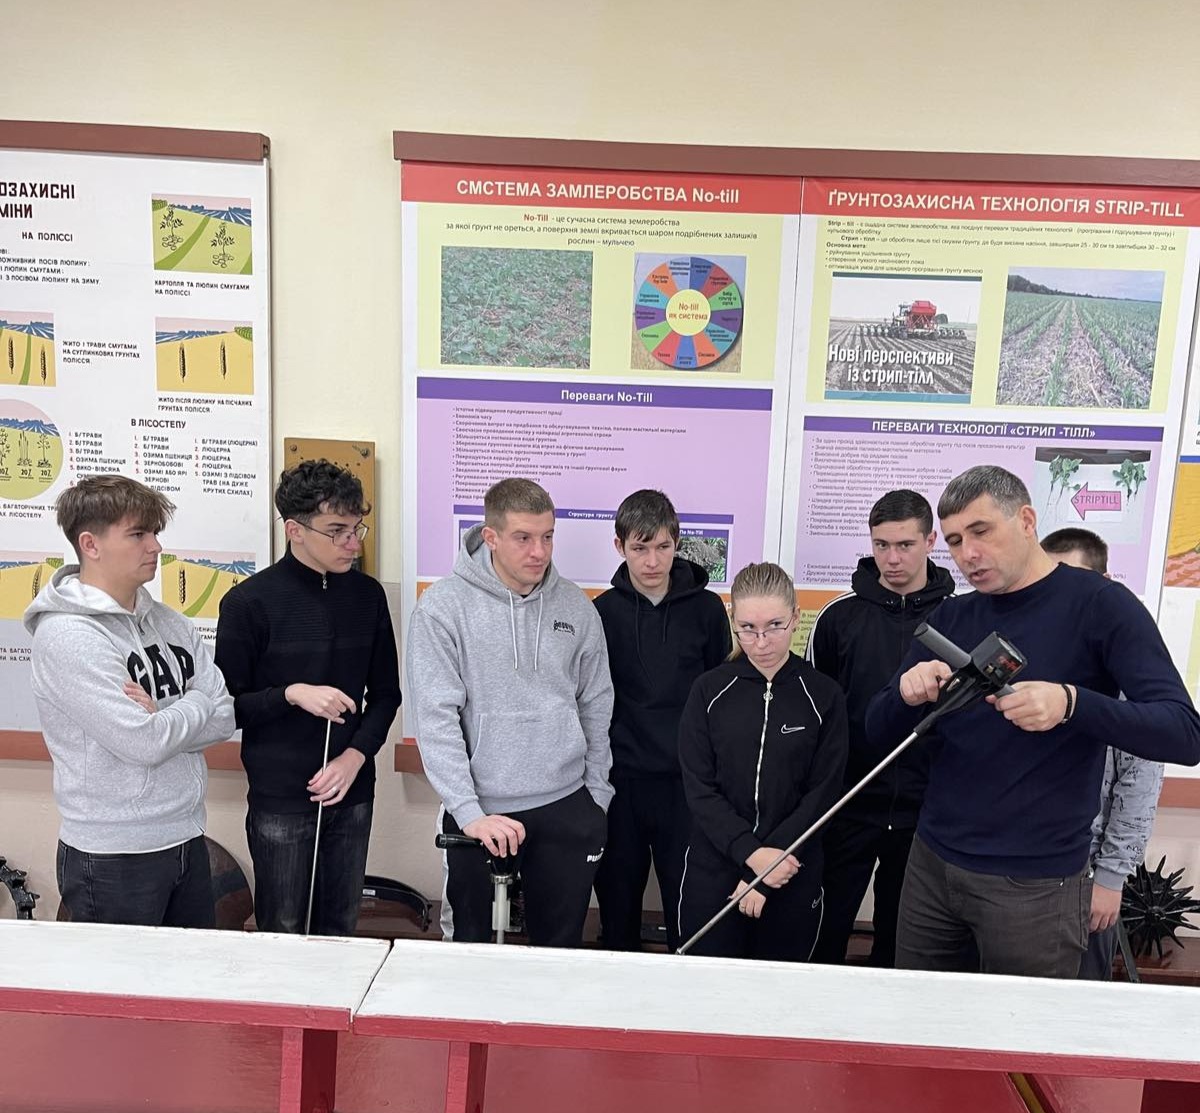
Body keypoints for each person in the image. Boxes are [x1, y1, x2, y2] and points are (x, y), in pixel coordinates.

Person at [866, 466, 1200, 978]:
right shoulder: (952, 618)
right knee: (921, 1017)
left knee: (1025, 1028)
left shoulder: (1101, 605)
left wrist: (1072, 703)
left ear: (1025, 521)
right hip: (932, 868)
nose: (967, 554)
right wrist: (906, 694)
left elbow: (1183, 734)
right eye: (954, 541)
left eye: (981, 531)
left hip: (1037, 887)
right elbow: (877, 731)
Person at [407, 477, 613, 948]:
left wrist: (596, 795)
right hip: (481, 810)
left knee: (559, 949)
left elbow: (596, 703)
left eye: (547, 536)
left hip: (566, 803)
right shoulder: (443, 608)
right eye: (523, 538)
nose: (539, 552)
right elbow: (436, 719)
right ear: (491, 536)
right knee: (472, 949)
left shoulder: (575, 607)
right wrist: (467, 811)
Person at [24, 474, 235, 927]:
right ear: (91, 544)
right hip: (112, 856)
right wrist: (195, 701)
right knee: (121, 975)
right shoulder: (68, 636)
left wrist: (168, 713)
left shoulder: (170, 622)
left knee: (189, 971)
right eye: (138, 534)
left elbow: (225, 714)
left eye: (155, 532)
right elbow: (144, 742)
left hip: (187, 837)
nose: (156, 546)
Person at [215, 460, 400, 936]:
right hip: (281, 796)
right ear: (294, 530)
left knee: (341, 925)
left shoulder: (368, 596)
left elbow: (386, 695)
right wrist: (291, 695)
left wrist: (355, 758)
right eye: (337, 531)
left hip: (351, 788)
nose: (352, 543)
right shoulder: (248, 603)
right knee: (283, 927)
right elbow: (226, 708)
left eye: (356, 529)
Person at [807, 489, 954, 967]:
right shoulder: (838, 617)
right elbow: (817, 718)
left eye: (905, 545)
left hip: (925, 813)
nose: (892, 559)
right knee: (826, 931)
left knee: (902, 942)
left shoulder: (958, 616)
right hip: (850, 806)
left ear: (930, 541)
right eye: (881, 545)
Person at [677, 561, 848, 961]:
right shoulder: (708, 691)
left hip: (792, 871)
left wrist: (767, 872)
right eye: (748, 628)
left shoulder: (824, 696)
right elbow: (699, 788)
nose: (761, 642)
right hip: (714, 872)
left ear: (796, 618)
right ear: (732, 620)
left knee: (783, 989)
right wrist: (752, 857)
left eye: (774, 626)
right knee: (707, 987)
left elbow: (823, 794)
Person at [592, 489, 731, 952]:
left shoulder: (707, 610)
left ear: (677, 543)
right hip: (621, 784)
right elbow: (592, 701)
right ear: (620, 546)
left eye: (663, 547)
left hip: (685, 786)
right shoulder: (602, 613)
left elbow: (718, 698)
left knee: (687, 913)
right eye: (640, 548)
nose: (652, 561)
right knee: (617, 912)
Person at [1041, 526, 1165, 980]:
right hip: (1021, 875)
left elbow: (1139, 787)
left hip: (1086, 878)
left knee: (1079, 1000)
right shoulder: (1033, 659)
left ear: (1104, 585)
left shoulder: (1127, 674)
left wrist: (1110, 879)